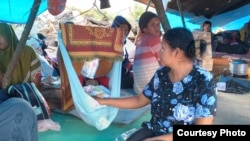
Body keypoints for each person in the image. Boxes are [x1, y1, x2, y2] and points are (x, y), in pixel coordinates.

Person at [95, 27, 217, 141]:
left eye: (163, 48)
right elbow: (139, 100)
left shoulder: (203, 81)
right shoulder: (161, 74)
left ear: (177, 53)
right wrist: (104, 101)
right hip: (153, 130)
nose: (159, 52)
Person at [133, 11, 162, 94]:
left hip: (139, 89)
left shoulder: (140, 41)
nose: (157, 27)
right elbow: (164, 61)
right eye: (153, 25)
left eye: (158, 24)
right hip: (152, 89)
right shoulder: (154, 39)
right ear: (144, 28)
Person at [111, 15, 134, 89]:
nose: (124, 32)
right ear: (114, 28)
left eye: (126, 30)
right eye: (121, 29)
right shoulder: (111, 44)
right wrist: (128, 72)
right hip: (112, 78)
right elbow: (113, 66)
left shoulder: (122, 44)